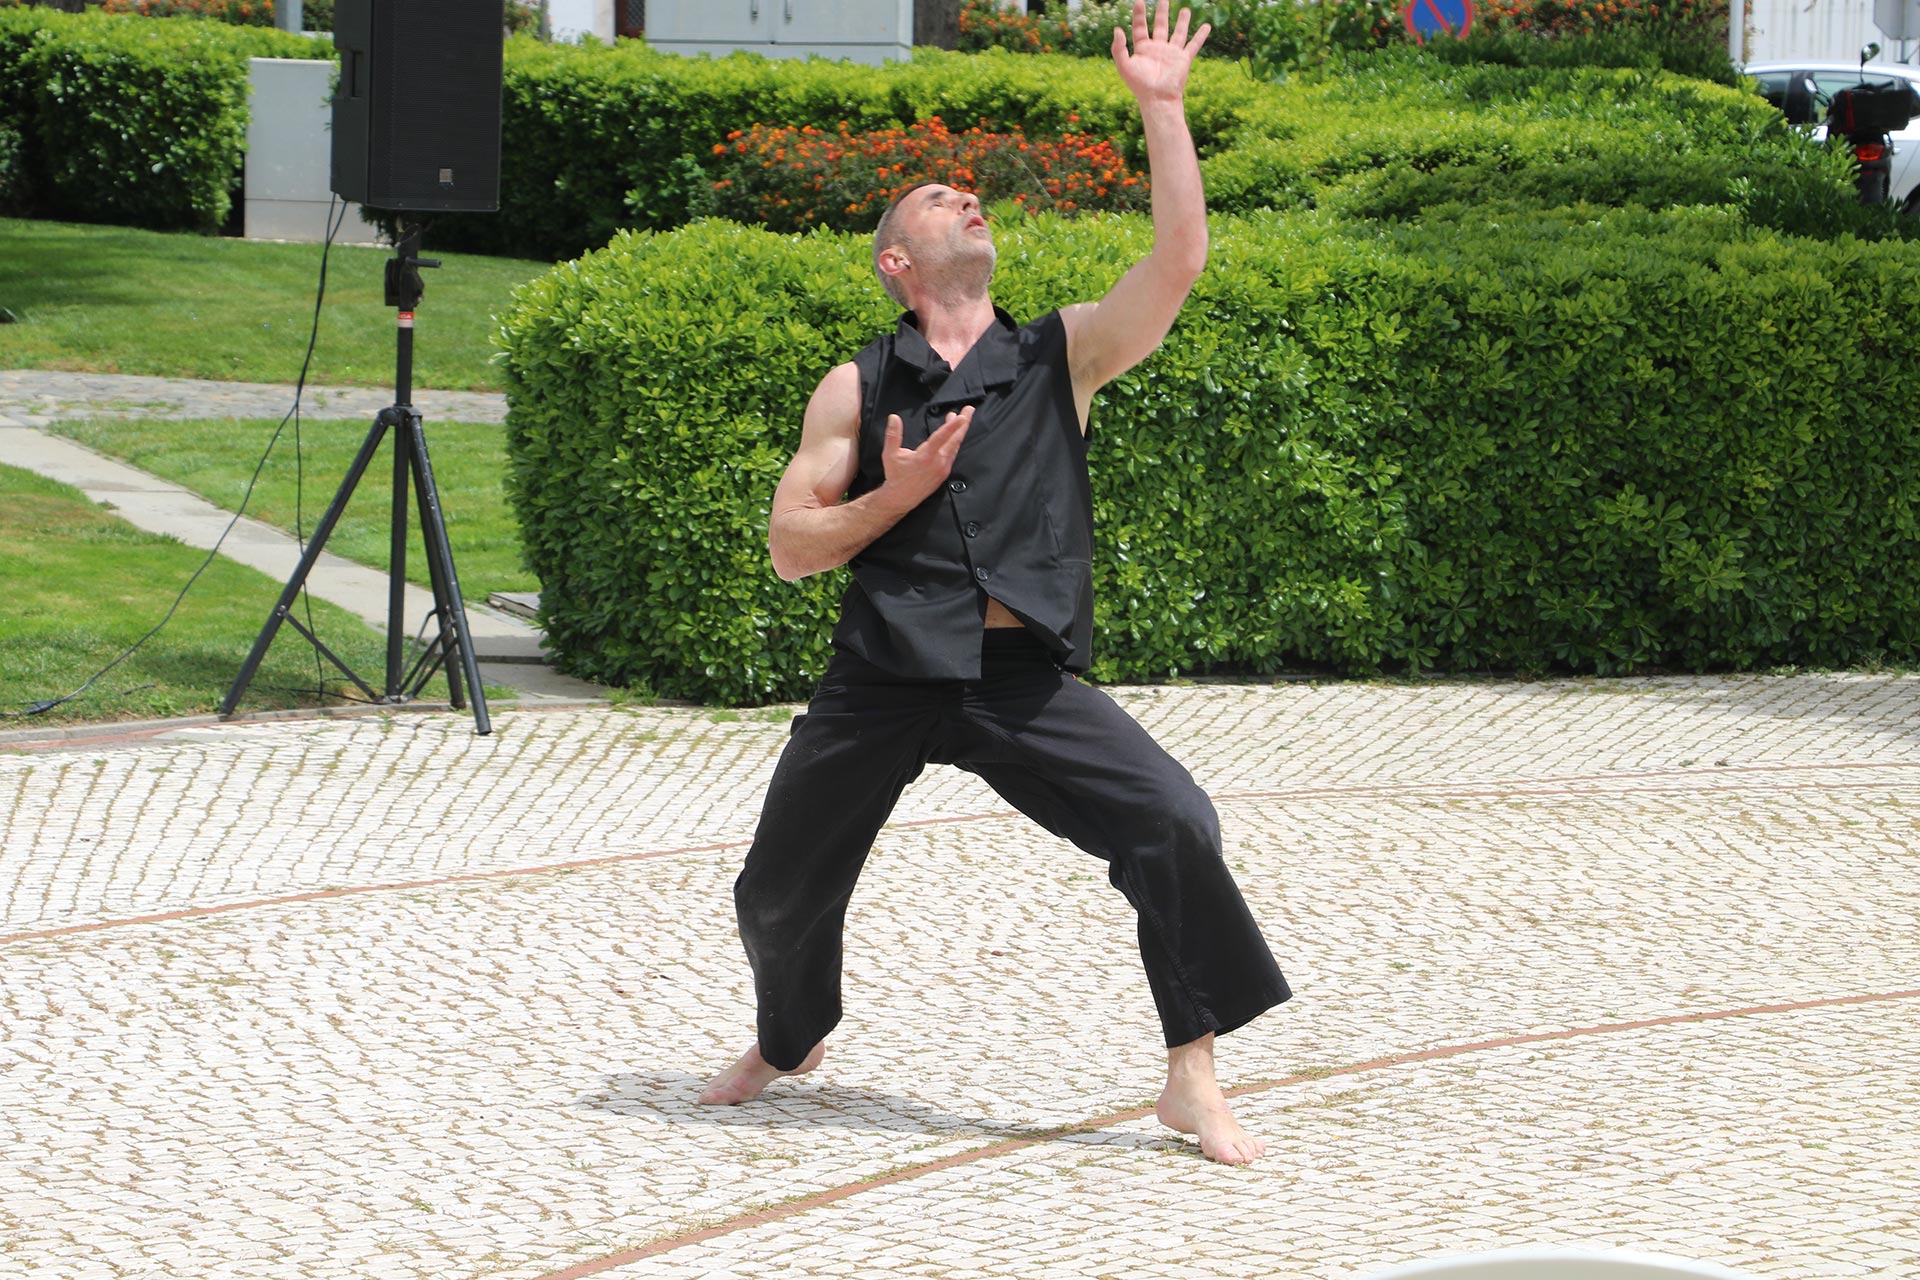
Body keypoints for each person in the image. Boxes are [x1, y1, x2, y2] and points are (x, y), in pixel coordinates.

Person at [697, 0, 1290, 1165]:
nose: (966, 197)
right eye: (937, 199)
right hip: (881, 675)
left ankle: (1192, 1071)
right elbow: (790, 544)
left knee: (1174, 820)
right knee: (773, 891)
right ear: (898, 262)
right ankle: (789, 1037)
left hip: (1018, 675)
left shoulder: (1062, 352)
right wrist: (898, 493)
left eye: (970, 195)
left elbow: (1178, 261)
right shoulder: (855, 387)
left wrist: (1163, 109)